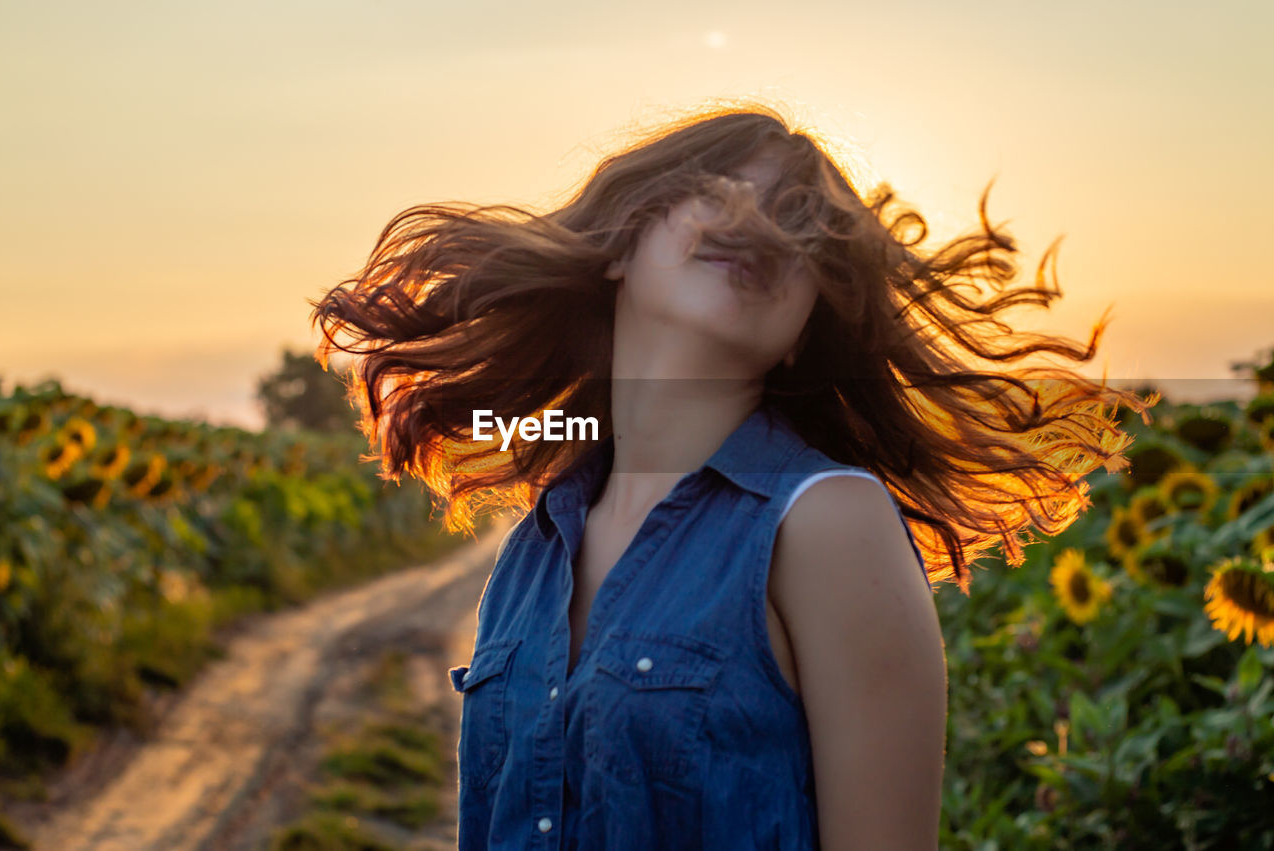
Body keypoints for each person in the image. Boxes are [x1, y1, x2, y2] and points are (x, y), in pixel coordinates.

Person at [311, 100, 1152, 850]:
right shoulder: (536, 549)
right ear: (619, 249)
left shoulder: (826, 524)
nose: (761, 223)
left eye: (801, 225)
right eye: (717, 188)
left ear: (800, 332)